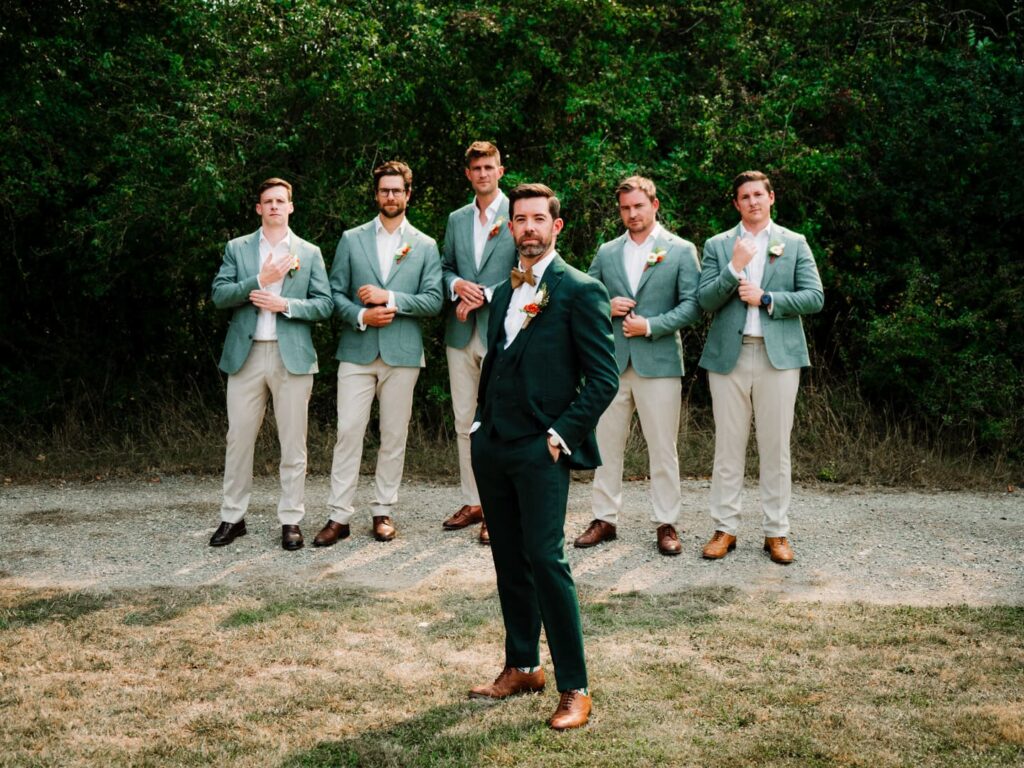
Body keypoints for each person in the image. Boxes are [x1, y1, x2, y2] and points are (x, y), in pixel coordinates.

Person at [468, 183, 618, 730]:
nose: (528, 228)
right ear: (510, 228)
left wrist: (560, 436)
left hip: (542, 449)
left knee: (547, 560)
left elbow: (602, 379)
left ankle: (574, 687)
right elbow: (496, 363)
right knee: (508, 558)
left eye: (538, 219)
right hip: (494, 446)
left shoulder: (580, 289)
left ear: (557, 227)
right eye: (520, 219)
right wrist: (480, 423)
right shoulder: (505, 293)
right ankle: (523, 665)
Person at [312, 161, 443, 546]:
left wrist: (391, 298)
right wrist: (361, 315)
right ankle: (339, 516)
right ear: (376, 194)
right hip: (357, 350)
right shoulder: (352, 239)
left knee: (393, 435)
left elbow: (434, 300)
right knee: (349, 431)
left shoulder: (424, 244)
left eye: (397, 190)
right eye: (384, 190)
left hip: (402, 354)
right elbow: (334, 295)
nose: (390, 196)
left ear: (408, 195)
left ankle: (382, 510)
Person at [697, 170, 824, 564]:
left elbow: (815, 297)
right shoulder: (719, 245)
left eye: (758, 194)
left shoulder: (794, 243)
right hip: (728, 358)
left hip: (779, 357)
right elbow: (705, 301)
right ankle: (725, 529)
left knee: (775, 446)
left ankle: (777, 532)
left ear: (771, 198)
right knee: (728, 447)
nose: (752, 201)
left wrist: (767, 298)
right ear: (736, 204)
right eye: (744, 196)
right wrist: (733, 270)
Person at [574, 176, 701, 555]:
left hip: (659, 362)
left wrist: (651, 326)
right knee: (606, 445)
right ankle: (604, 518)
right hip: (611, 363)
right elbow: (584, 297)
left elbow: (692, 304)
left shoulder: (680, 250)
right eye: (626, 208)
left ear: (654, 205)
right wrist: (604, 306)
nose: (632, 214)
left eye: (638, 206)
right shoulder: (607, 251)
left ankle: (666, 522)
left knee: (663, 447)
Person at [209, 178, 333, 550]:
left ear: (291, 207)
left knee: (293, 443)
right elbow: (219, 295)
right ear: (259, 208)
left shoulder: (309, 252)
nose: (275, 206)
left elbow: (325, 304)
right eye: (268, 201)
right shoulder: (238, 248)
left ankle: (291, 519)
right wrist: (260, 279)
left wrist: (287, 305)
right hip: (245, 356)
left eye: (281, 200)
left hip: (290, 354)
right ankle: (233, 517)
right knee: (238, 439)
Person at [440, 141, 517, 545]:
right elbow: (446, 266)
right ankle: (474, 502)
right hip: (460, 333)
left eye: (490, 167)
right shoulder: (456, 219)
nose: (483, 174)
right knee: (463, 420)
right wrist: (456, 285)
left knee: (497, 421)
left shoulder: (517, 212)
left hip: (501, 330)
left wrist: (484, 295)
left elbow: (525, 270)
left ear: (500, 171)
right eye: (476, 168)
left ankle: (498, 506)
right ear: (468, 174)